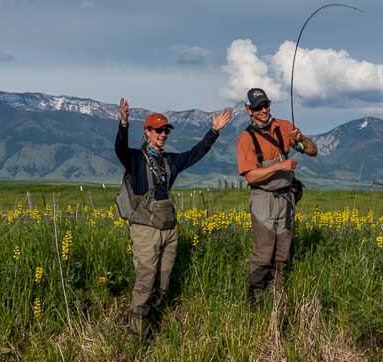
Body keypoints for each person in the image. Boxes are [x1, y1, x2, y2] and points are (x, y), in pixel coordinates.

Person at [116, 97, 233, 338]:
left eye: (165, 130)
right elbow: (119, 148)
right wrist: (124, 123)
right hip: (145, 228)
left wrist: (214, 132)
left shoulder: (170, 161)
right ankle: (137, 332)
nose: (162, 134)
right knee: (146, 278)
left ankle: (152, 320)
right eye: (157, 130)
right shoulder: (135, 159)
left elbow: (195, 153)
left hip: (169, 228)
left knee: (163, 280)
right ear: (147, 132)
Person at [236, 87, 317, 310]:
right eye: (257, 107)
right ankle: (255, 303)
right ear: (248, 110)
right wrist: (280, 166)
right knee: (264, 254)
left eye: (265, 105)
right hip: (263, 198)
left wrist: (302, 140)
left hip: (287, 197)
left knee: (283, 253)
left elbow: (312, 151)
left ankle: (277, 296)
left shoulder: (284, 127)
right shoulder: (245, 139)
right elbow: (250, 175)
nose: (263, 110)